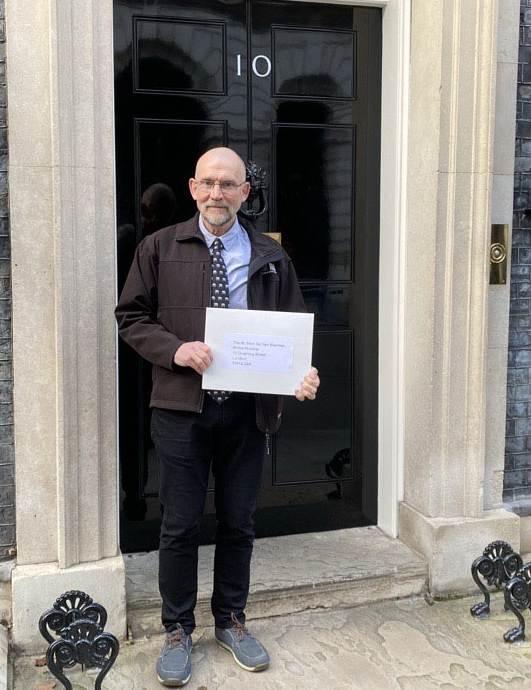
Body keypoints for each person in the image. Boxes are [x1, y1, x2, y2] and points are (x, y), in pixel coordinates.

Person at [115, 147, 320, 687]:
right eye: (207, 183)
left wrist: (303, 374)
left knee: (238, 525)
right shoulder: (158, 247)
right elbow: (130, 317)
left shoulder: (269, 255)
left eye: (228, 185)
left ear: (244, 192)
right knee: (179, 527)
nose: (217, 194)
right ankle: (177, 629)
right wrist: (175, 350)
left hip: (247, 413)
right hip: (182, 411)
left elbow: (293, 327)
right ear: (191, 187)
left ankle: (230, 619)